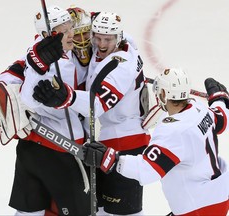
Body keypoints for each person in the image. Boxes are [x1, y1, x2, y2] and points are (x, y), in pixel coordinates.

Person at [33, 11, 150, 215]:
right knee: (103, 209)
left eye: (107, 39)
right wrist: (84, 16)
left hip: (126, 143)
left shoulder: (120, 67)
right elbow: (97, 24)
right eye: (97, 37)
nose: (101, 44)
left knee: (125, 211)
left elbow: (97, 105)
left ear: (118, 37)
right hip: (108, 141)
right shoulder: (123, 42)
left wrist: (66, 97)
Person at [83, 68, 229, 215]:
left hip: (199, 208)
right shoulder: (199, 109)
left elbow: (146, 171)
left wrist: (109, 159)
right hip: (218, 195)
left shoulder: (173, 130)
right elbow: (222, 119)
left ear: (164, 94)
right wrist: (219, 99)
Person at [0, 5, 93, 216]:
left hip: (32, 149)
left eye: (70, 29)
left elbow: (7, 77)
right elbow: (28, 98)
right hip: (59, 151)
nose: (71, 35)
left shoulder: (39, 51)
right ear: (48, 34)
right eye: (63, 31)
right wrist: (39, 65)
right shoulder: (49, 60)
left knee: (28, 212)